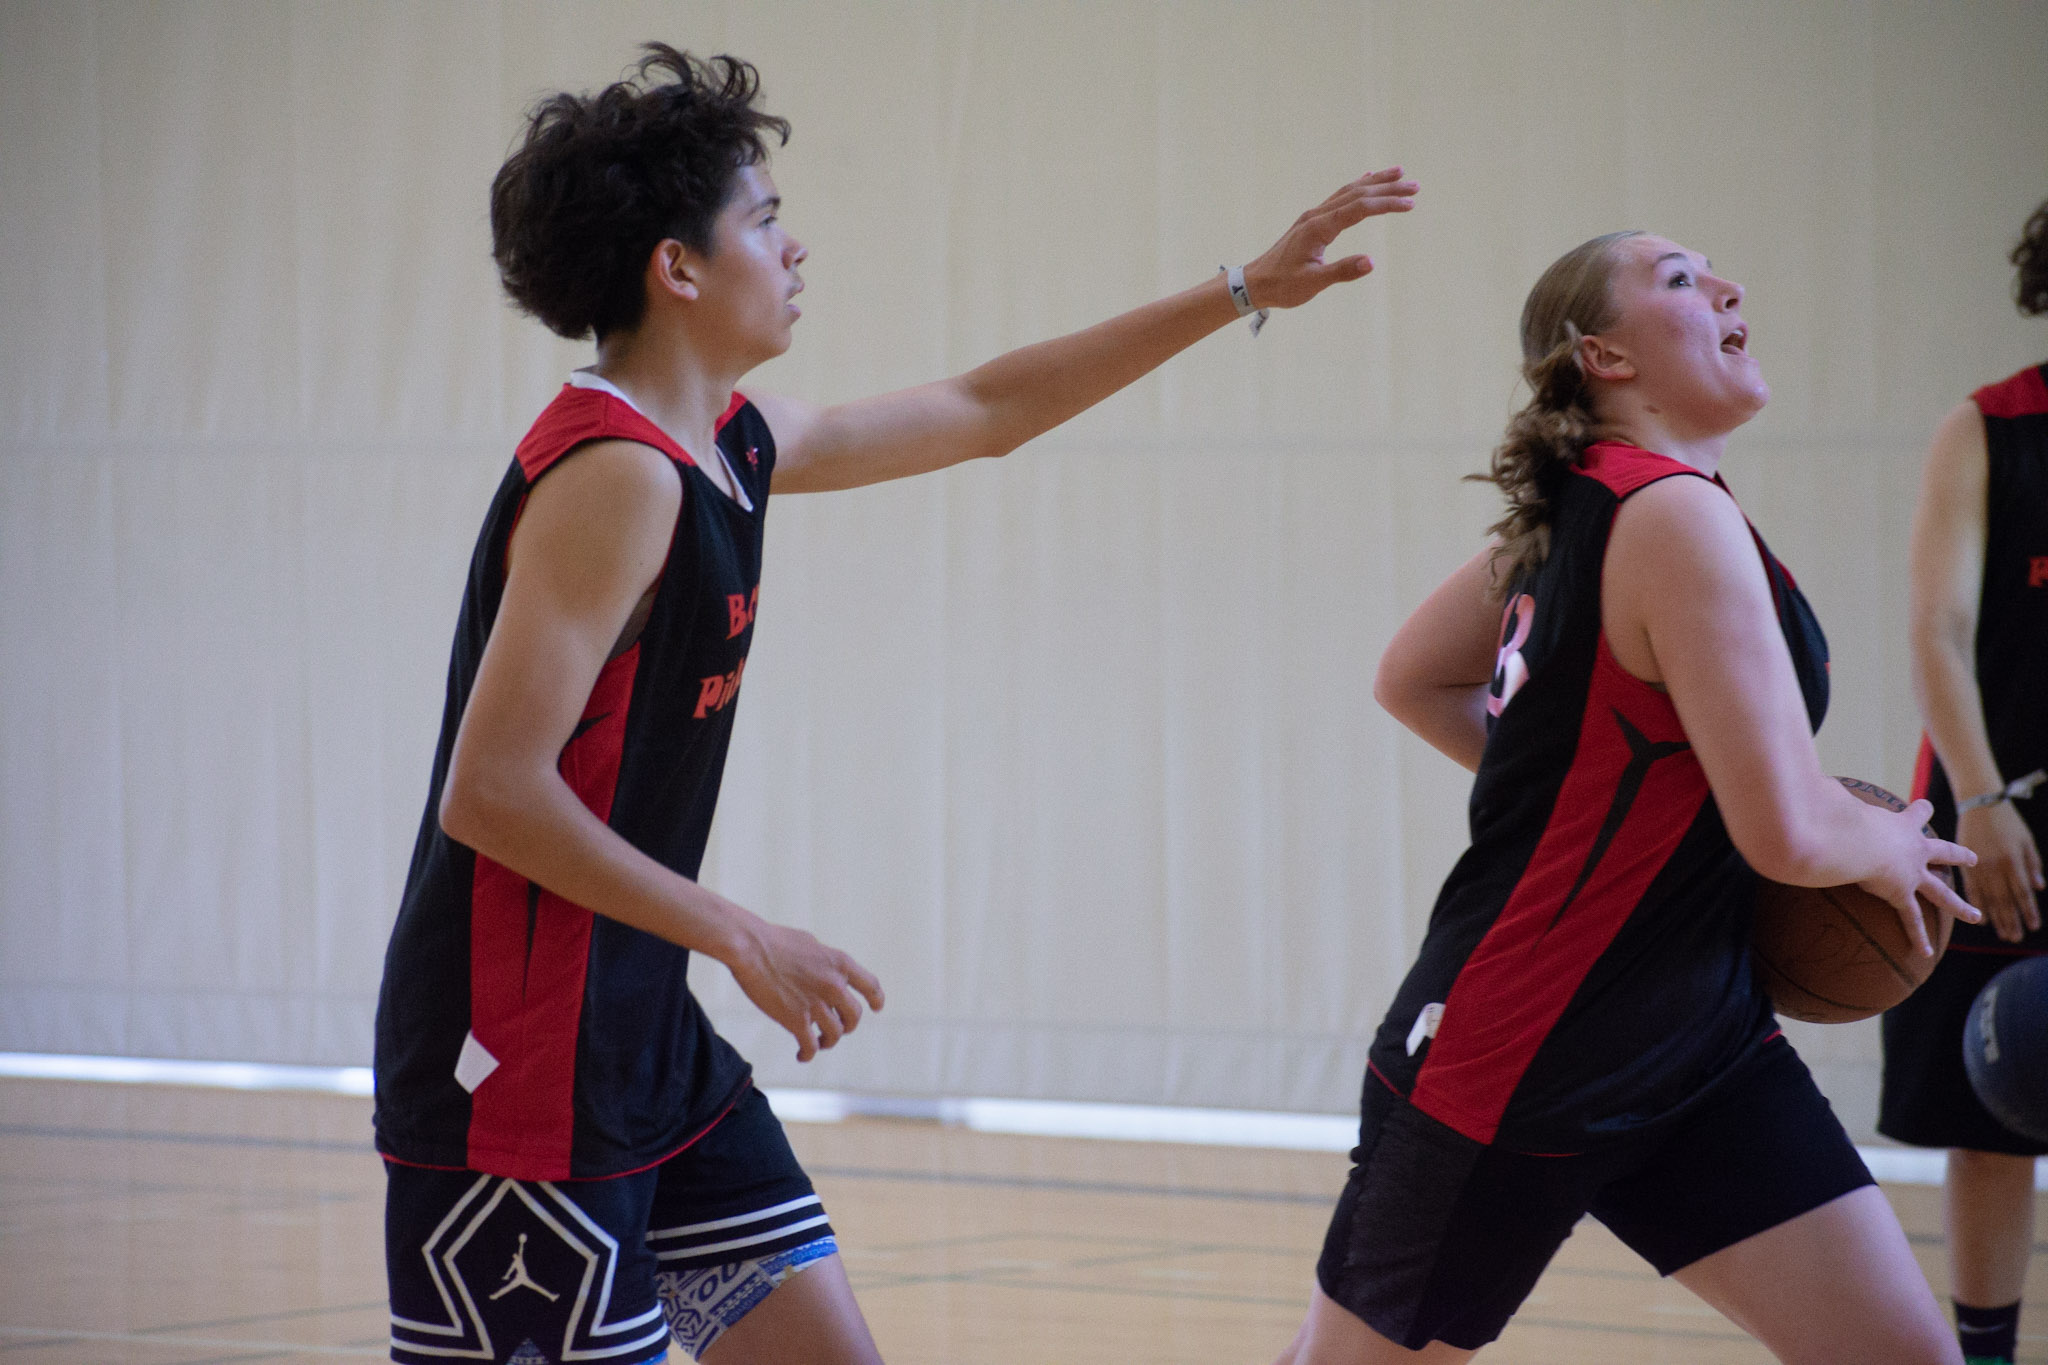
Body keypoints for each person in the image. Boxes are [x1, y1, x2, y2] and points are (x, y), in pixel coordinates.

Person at [371, 44, 1416, 1365]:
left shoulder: (732, 445)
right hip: (513, 1063)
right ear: (677, 268)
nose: (795, 247)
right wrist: (740, 932)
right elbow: (492, 791)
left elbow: (985, 408)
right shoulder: (615, 480)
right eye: (763, 220)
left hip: (643, 1041)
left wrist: (1240, 291)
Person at [1275, 230, 1981, 1364]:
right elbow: (1791, 830)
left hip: (1697, 1043)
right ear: (1602, 355)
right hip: (1519, 1057)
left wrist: (1617, 828)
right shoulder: (1664, 517)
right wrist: (1886, 844)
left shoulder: (1600, 509)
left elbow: (1413, 677)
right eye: (1676, 277)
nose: (1726, 284)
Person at [1879, 195, 2048, 1365]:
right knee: (1993, 1114)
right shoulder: (1989, 429)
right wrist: (1982, 804)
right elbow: (1937, 631)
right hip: (2003, 816)